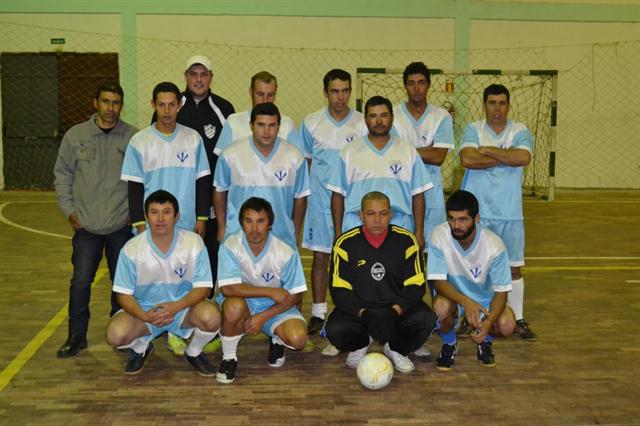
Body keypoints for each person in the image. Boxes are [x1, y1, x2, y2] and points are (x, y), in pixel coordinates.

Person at [122, 81, 212, 355]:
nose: (167, 110)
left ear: (180, 105)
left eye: (172, 104)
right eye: (161, 104)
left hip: (185, 225)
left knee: (182, 280)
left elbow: (203, 181)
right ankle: (149, 331)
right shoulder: (139, 141)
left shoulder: (193, 138)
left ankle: (177, 330)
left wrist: (201, 217)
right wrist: (139, 222)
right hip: (153, 224)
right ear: (153, 105)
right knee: (151, 279)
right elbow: (135, 187)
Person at [53, 82, 137, 358]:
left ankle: (121, 334)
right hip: (86, 226)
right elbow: (62, 175)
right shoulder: (76, 136)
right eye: (105, 101)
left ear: (121, 106)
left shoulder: (132, 138)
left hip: (120, 227)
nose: (110, 108)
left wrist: (133, 213)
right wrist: (69, 210)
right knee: (80, 282)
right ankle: (76, 336)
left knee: (121, 284)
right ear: (95, 103)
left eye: (115, 102)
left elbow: (142, 180)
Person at [105, 190, 221, 376]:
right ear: (145, 216)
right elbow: (122, 294)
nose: (160, 218)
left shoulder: (193, 243)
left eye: (166, 212)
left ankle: (194, 352)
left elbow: (204, 288)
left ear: (177, 216)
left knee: (212, 317)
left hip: (182, 309)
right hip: (146, 310)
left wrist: (176, 307)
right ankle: (141, 346)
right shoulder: (131, 249)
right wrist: (144, 315)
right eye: (154, 212)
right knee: (115, 335)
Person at [323, 191, 437, 373]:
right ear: (361, 215)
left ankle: (396, 348)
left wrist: (395, 311)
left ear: (390, 215)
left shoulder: (406, 241)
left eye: (383, 214)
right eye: (370, 214)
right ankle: (361, 343)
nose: (377, 220)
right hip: (362, 311)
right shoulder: (345, 244)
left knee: (426, 319)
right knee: (334, 328)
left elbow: (416, 286)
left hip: (395, 310)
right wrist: (363, 313)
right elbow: (339, 290)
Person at [458, 84, 536, 340]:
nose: (497, 109)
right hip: (478, 213)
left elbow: (523, 158)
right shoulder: (473, 128)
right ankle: (466, 318)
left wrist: (488, 150)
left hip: (509, 213)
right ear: (484, 105)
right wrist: (506, 155)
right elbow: (468, 160)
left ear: (508, 105)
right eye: (492, 103)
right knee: (469, 265)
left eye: (502, 103)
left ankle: (519, 317)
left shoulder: (520, 130)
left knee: (513, 268)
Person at [152, 55, 234, 291]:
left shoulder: (224, 109)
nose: (198, 80)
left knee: (209, 252)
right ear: (186, 77)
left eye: (204, 74)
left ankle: (206, 304)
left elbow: (230, 157)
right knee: (172, 254)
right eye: (193, 74)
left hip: (212, 197)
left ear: (211, 77)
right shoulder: (174, 106)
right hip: (176, 197)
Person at [299, 69, 368, 336]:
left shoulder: (362, 124)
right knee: (320, 257)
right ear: (325, 92)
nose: (340, 97)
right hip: (320, 203)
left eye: (345, 91)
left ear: (350, 91)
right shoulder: (311, 123)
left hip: (353, 204)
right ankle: (318, 311)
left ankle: (355, 310)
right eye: (334, 91)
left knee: (356, 259)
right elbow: (304, 163)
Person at [216, 197, 308, 384]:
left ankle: (276, 339)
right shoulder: (230, 245)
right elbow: (227, 288)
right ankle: (229, 358)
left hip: (275, 307)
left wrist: (263, 316)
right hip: (242, 303)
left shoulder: (285, 250)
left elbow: (296, 293)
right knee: (233, 307)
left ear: (270, 224)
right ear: (241, 223)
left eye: (260, 221)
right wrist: (269, 292)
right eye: (248, 221)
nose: (254, 228)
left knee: (298, 340)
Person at [327, 95, 432, 249]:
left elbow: (418, 194)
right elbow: (337, 195)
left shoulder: (407, 150)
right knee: (357, 273)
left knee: (398, 273)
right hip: (357, 227)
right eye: (373, 116)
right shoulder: (349, 152)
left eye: (384, 115)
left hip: (399, 227)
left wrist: (419, 232)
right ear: (365, 119)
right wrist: (337, 233)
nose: (379, 121)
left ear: (392, 117)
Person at [428, 190, 516, 370]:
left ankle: (485, 340)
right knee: (439, 308)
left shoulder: (494, 245)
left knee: (507, 326)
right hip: (454, 298)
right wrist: (466, 303)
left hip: (484, 301)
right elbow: (438, 282)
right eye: (451, 219)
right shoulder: (438, 235)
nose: (456, 225)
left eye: (463, 219)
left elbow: (501, 291)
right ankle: (449, 343)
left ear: (476, 219)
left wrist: (488, 323)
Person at [214, 102, 309, 249]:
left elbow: (300, 198)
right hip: (238, 236)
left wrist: (295, 231)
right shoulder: (230, 155)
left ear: (279, 126)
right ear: (251, 125)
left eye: (272, 125)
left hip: (281, 237)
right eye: (261, 125)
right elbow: (219, 191)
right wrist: (222, 227)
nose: (266, 131)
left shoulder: (295, 157)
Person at [392, 62, 454, 249]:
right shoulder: (393, 115)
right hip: (400, 192)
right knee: (401, 251)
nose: (416, 88)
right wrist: (428, 149)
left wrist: (405, 149)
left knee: (433, 250)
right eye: (411, 83)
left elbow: (439, 157)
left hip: (432, 194)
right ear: (405, 86)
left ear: (429, 84)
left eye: (421, 82)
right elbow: (392, 154)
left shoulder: (441, 116)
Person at [214, 71, 302, 154]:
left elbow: (297, 160)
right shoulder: (233, 122)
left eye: (270, 95)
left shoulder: (287, 124)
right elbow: (223, 162)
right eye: (260, 94)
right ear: (251, 92)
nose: (265, 100)